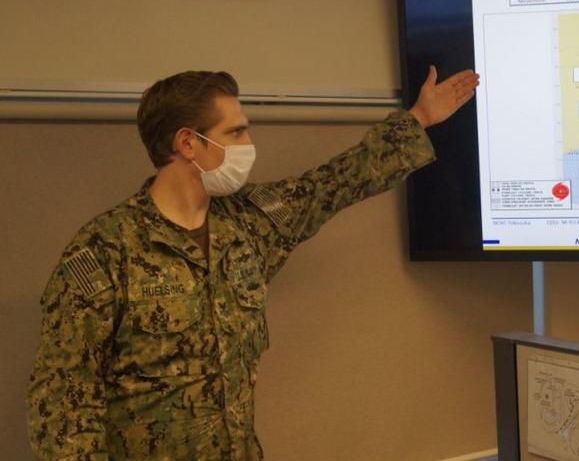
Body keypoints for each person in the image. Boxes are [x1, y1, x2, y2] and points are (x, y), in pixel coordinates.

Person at [27, 67, 479, 460]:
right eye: (236, 132)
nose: (249, 143)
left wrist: (418, 119)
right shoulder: (106, 251)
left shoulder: (250, 224)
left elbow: (334, 184)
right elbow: (64, 405)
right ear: (188, 143)